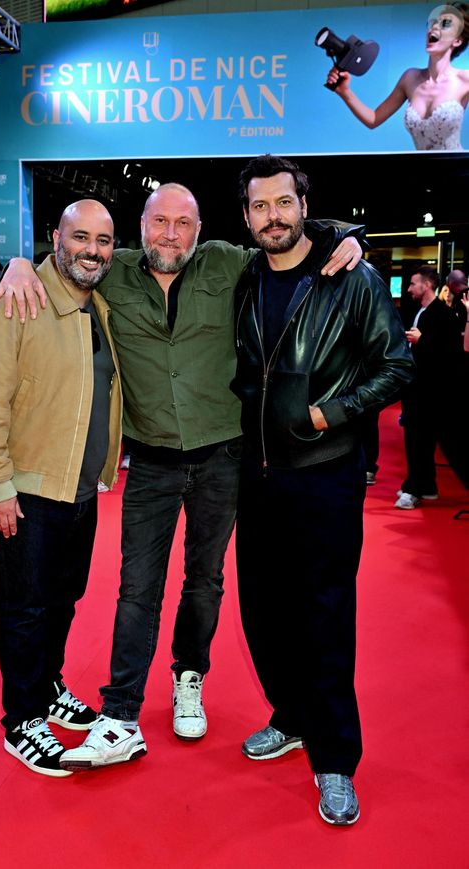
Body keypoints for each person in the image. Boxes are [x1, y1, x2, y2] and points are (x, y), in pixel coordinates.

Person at [0, 184, 364, 770]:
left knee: (205, 578)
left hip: (224, 457)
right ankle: (120, 714)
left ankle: (189, 675)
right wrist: (16, 264)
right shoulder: (111, 270)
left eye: (184, 223)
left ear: (202, 227)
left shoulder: (227, 261)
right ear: (141, 227)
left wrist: (347, 237)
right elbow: (63, 260)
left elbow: (286, 237)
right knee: (137, 586)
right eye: (160, 221)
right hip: (152, 461)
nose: (171, 234)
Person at [231, 154, 414, 825]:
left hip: (327, 472)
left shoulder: (351, 275)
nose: (273, 216)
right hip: (258, 473)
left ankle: (335, 756)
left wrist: (328, 413)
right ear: (246, 214)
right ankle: (291, 714)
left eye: (284, 202)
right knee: (263, 610)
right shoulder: (244, 276)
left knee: (325, 616)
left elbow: (397, 365)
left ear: (304, 203)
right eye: (260, 206)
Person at [0, 200, 123, 777]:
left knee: (62, 600)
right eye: (80, 237)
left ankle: (47, 687)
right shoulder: (14, 302)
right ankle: (22, 719)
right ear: (56, 238)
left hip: (78, 488)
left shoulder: (98, 306)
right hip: (25, 490)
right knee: (24, 609)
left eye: (103, 240)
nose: (92, 250)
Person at [327, 3, 469, 150]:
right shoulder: (410, 78)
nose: (434, 27)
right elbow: (373, 119)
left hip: (458, 169)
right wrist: (345, 92)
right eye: (434, 23)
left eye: (445, 24)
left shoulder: (465, 80)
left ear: (457, 41)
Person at [395, 266, 466, 509]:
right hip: (419, 389)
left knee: (422, 442)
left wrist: (422, 340)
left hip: (432, 392)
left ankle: (415, 488)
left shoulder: (443, 315)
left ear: (426, 285)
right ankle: (425, 487)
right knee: (419, 441)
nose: (409, 288)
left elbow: (452, 354)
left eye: (413, 284)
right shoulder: (423, 312)